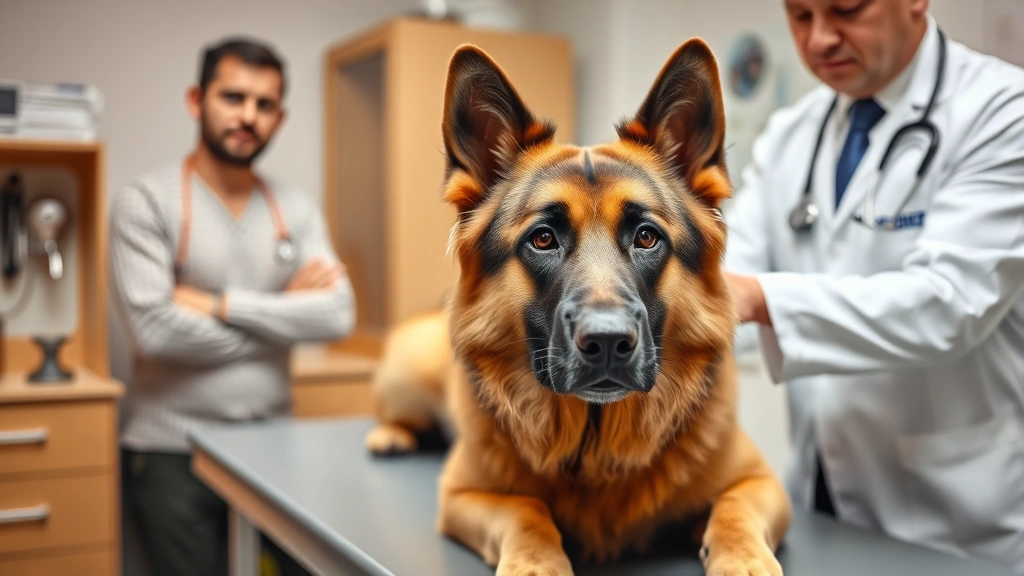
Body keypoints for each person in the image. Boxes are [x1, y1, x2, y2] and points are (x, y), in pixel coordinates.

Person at [722, 0, 1024, 573]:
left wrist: (761, 300)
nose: (819, 40)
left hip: (959, 520)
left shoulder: (1002, 112)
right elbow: (726, 277)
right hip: (822, 498)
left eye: (845, 10)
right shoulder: (790, 135)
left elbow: (949, 303)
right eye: (800, 15)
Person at [110, 37, 354, 576]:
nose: (248, 116)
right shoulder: (146, 202)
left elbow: (338, 314)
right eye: (233, 97)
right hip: (173, 451)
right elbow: (154, 331)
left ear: (280, 117)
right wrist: (285, 312)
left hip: (275, 446)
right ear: (197, 101)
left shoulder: (295, 209)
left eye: (265, 105)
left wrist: (217, 304)